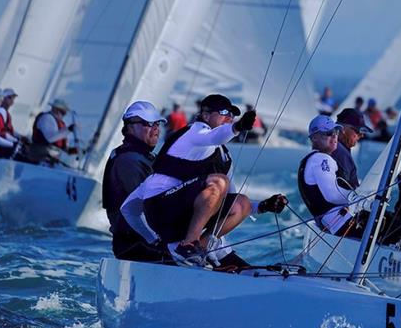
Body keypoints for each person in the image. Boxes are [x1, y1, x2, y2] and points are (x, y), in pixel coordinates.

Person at [121, 94, 288, 267]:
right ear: (206, 115)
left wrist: (264, 206)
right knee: (219, 182)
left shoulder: (224, 158)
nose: (229, 118)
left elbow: (231, 202)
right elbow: (128, 209)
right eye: (223, 112)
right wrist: (153, 241)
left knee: (242, 203)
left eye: (232, 115)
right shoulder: (194, 132)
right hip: (162, 209)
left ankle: (199, 248)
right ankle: (188, 247)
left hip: (185, 220)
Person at [102, 101, 170, 262]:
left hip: (141, 243)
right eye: (149, 123)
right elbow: (146, 207)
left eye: (158, 123)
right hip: (137, 246)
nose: (156, 129)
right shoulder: (129, 161)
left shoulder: (138, 156)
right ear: (131, 127)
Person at [297, 115, 364, 235]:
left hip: (333, 224)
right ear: (314, 138)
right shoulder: (321, 159)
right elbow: (332, 195)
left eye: (336, 131)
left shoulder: (309, 160)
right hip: (342, 224)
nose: (334, 136)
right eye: (328, 133)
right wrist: (360, 198)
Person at [333, 108, 372, 189]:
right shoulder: (340, 152)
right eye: (358, 131)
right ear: (342, 129)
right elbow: (348, 189)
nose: (361, 135)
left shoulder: (338, 149)